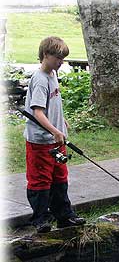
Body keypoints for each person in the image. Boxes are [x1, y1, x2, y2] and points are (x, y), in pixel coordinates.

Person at [24, 36, 86, 233]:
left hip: (56, 138)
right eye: (58, 58)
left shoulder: (52, 74)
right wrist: (54, 130)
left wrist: (62, 120)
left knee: (60, 177)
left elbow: (53, 105)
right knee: (41, 180)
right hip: (41, 141)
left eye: (63, 58)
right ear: (45, 55)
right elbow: (38, 112)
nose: (61, 62)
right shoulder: (41, 79)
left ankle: (64, 216)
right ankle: (40, 219)